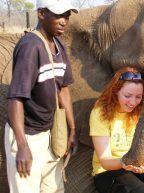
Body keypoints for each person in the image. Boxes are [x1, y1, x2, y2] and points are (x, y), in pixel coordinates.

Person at [4, 0, 79, 192]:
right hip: (27, 135)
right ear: (41, 14)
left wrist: (72, 128)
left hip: (50, 133)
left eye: (67, 16)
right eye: (58, 15)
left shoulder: (58, 46)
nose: (64, 21)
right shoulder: (30, 47)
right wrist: (22, 146)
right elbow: (16, 98)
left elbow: (63, 89)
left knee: (54, 189)